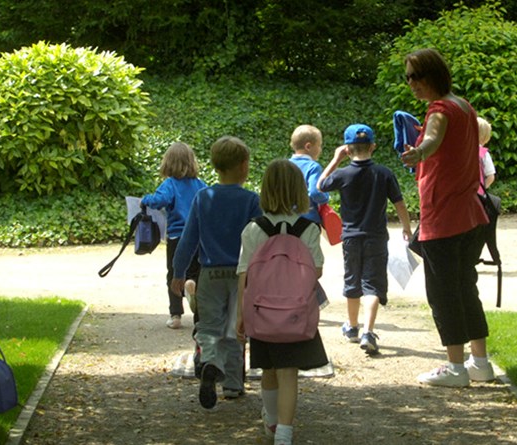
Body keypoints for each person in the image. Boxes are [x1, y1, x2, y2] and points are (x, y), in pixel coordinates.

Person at [396, 48, 496, 387]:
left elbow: (434, 139)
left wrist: (418, 152)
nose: (410, 83)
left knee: (443, 293)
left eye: (415, 76)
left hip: (444, 219)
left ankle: (455, 369)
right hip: (472, 214)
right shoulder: (464, 106)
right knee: (466, 287)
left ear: (432, 74)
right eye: (407, 77)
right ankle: (479, 363)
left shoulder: (439, 110)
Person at [238, 158, 332, 445]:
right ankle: (285, 434)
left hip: (262, 311)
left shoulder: (254, 229)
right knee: (289, 374)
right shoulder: (308, 229)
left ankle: (270, 419)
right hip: (295, 313)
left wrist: (240, 316)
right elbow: (316, 270)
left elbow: (243, 274)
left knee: (268, 369)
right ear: (299, 191)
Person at [170, 136, 263, 409]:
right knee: (236, 329)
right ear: (244, 166)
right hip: (240, 274)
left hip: (209, 273)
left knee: (209, 326)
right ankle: (233, 385)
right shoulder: (250, 201)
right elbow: (259, 239)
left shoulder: (203, 197)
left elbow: (188, 240)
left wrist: (178, 272)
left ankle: (210, 361)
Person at [317, 123, 412, 354]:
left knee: (352, 280)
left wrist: (335, 159)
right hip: (376, 237)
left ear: (347, 149)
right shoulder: (384, 173)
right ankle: (368, 332)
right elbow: (399, 203)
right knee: (373, 284)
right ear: (373, 146)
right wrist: (407, 227)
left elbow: (320, 186)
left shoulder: (343, 173)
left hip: (350, 237)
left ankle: (352, 328)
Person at [141, 142, 208, 329]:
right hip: (199, 237)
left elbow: (159, 200)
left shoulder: (169, 184)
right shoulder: (200, 185)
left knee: (173, 274)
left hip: (177, 236)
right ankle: (198, 307)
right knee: (196, 272)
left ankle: (176, 314)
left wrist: (145, 199)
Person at [287, 125, 333, 226]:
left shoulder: (283, 165)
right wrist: (326, 197)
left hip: (285, 219)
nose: (320, 150)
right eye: (319, 145)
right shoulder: (313, 167)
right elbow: (315, 193)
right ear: (308, 146)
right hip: (307, 221)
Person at [476, 117, 497, 190]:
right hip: (476, 193)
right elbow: (491, 176)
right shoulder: (483, 153)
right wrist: (482, 189)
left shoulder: (462, 150)